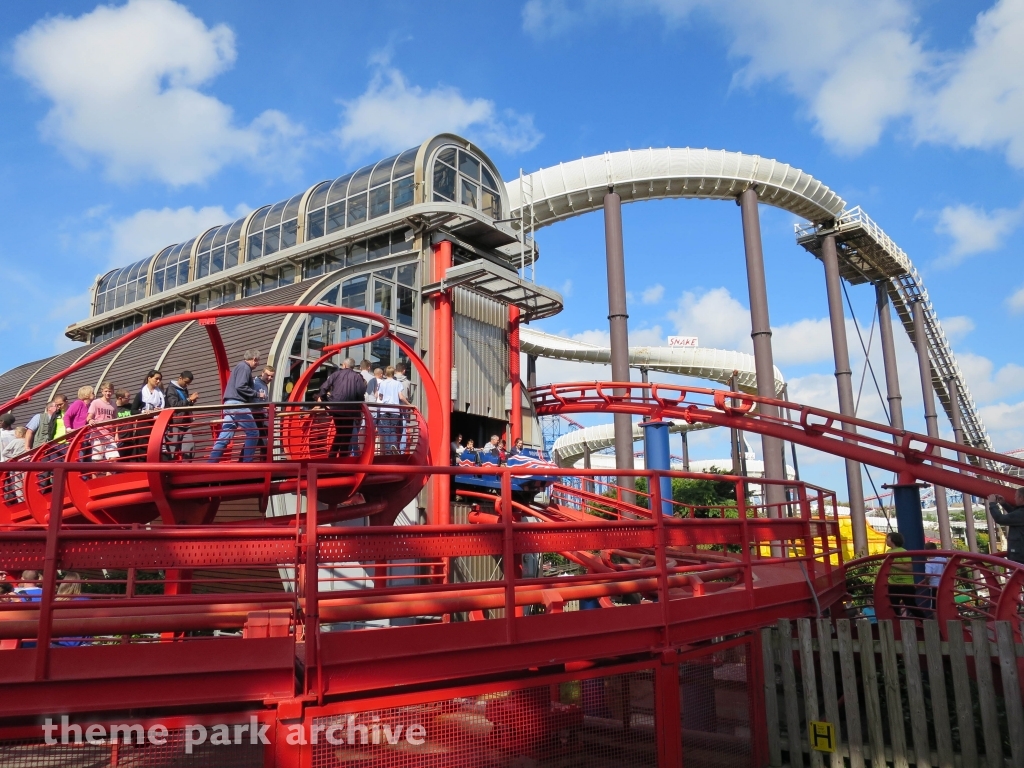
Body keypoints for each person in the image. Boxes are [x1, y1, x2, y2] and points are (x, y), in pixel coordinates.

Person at [209, 351, 261, 462]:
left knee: (225, 436)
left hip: (229, 404)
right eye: (258, 361)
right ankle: (247, 464)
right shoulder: (245, 367)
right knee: (253, 432)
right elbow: (241, 386)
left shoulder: (240, 366)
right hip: (237, 404)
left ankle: (210, 464)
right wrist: (257, 394)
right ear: (254, 359)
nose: (258, 364)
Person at [318, 358, 367, 457]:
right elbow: (361, 394)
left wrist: (325, 402)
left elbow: (323, 388)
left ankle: (332, 456)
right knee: (346, 434)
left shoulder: (336, 374)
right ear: (353, 366)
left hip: (336, 408)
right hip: (349, 409)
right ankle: (341, 458)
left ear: (344, 365)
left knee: (340, 431)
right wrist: (358, 407)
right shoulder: (357, 377)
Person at [164, 371, 199, 460]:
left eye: (188, 383)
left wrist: (191, 402)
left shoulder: (183, 389)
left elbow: (184, 404)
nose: (186, 385)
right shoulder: (171, 389)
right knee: (172, 448)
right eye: (186, 382)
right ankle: (168, 470)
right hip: (175, 423)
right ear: (180, 378)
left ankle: (185, 469)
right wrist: (189, 399)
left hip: (185, 423)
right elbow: (174, 404)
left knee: (189, 447)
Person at [375, 366, 410, 453]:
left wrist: (381, 396)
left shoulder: (382, 383)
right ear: (393, 373)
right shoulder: (398, 383)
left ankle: (388, 452)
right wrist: (409, 404)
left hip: (384, 409)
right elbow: (401, 397)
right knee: (393, 430)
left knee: (386, 431)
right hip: (395, 410)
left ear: (385, 373)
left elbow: (380, 396)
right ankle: (393, 447)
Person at [885, 532, 919, 618]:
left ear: (893, 540)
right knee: (894, 607)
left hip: (905, 584)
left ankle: (926, 623)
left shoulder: (903, 552)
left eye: (888, 538)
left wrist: (891, 563)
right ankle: (899, 627)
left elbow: (909, 568)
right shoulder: (888, 551)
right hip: (892, 583)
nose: (886, 540)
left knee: (911, 606)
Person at [988, 489, 1024, 564]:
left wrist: (992, 504)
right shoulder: (1020, 513)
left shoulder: (1021, 514)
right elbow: (1015, 517)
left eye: (1016, 496)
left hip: (1019, 556)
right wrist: (1004, 504)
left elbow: (1000, 519)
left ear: (1021, 498)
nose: (1014, 498)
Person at [86, 382, 119, 463]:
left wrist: (117, 434)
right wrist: (90, 420)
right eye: (106, 391)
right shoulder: (96, 402)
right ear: (102, 391)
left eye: (110, 391)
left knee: (114, 458)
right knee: (97, 460)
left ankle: (109, 476)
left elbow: (116, 420)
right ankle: (96, 475)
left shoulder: (113, 404)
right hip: (98, 434)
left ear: (113, 392)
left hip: (109, 435)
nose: (108, 393)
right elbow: (89, 416)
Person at [252, 365, 275, 459]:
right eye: (268, 375)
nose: (269, 378)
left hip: (262, 416)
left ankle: (264, 462)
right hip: (256, 416)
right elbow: (253, 402)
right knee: (262, 441)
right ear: (262, 373)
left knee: (261, 440)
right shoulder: (255, 383)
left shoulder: (264, 385)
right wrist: (267, 408)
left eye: (272, 376)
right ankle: (266, 464)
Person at [924, 542, 946, 616]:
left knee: (934, 605)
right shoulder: (941, 559)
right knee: (943, 603)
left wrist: (926, 582)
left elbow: (928, 575)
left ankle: (937, 623)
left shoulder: (928, 563)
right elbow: (949, 561)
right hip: (943, 584)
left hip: (934, 585)